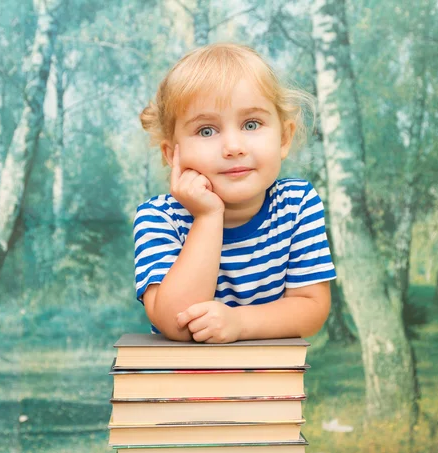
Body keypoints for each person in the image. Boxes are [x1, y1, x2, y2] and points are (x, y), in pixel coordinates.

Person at [134, 42, 336, 343]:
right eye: (206, 130)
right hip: (182, 387)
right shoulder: (159, 218)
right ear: (171, 154)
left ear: (284, 138)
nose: (233, 147)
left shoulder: (297, 204)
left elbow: (312, 308)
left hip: (268, 387)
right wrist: (207, 216)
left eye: (251, 124)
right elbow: (176, 323)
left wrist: (239, 323)